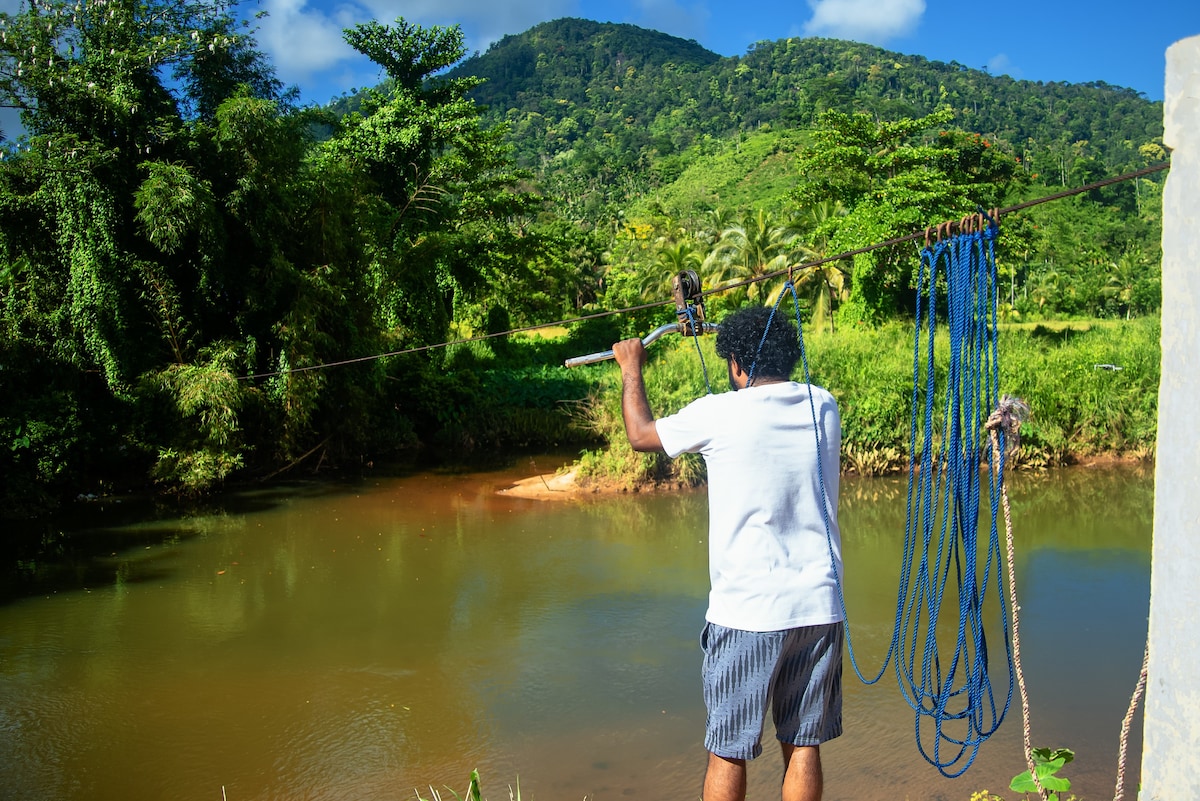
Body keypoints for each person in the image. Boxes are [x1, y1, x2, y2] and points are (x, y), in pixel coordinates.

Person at [611, 305, 844, 801]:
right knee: (803, 743)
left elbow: (639, 434)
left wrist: (632, 367)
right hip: (819, 607)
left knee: (728, 747)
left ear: (737, 362)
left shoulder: (719, 411)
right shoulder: (823, 405)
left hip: (747, 612)